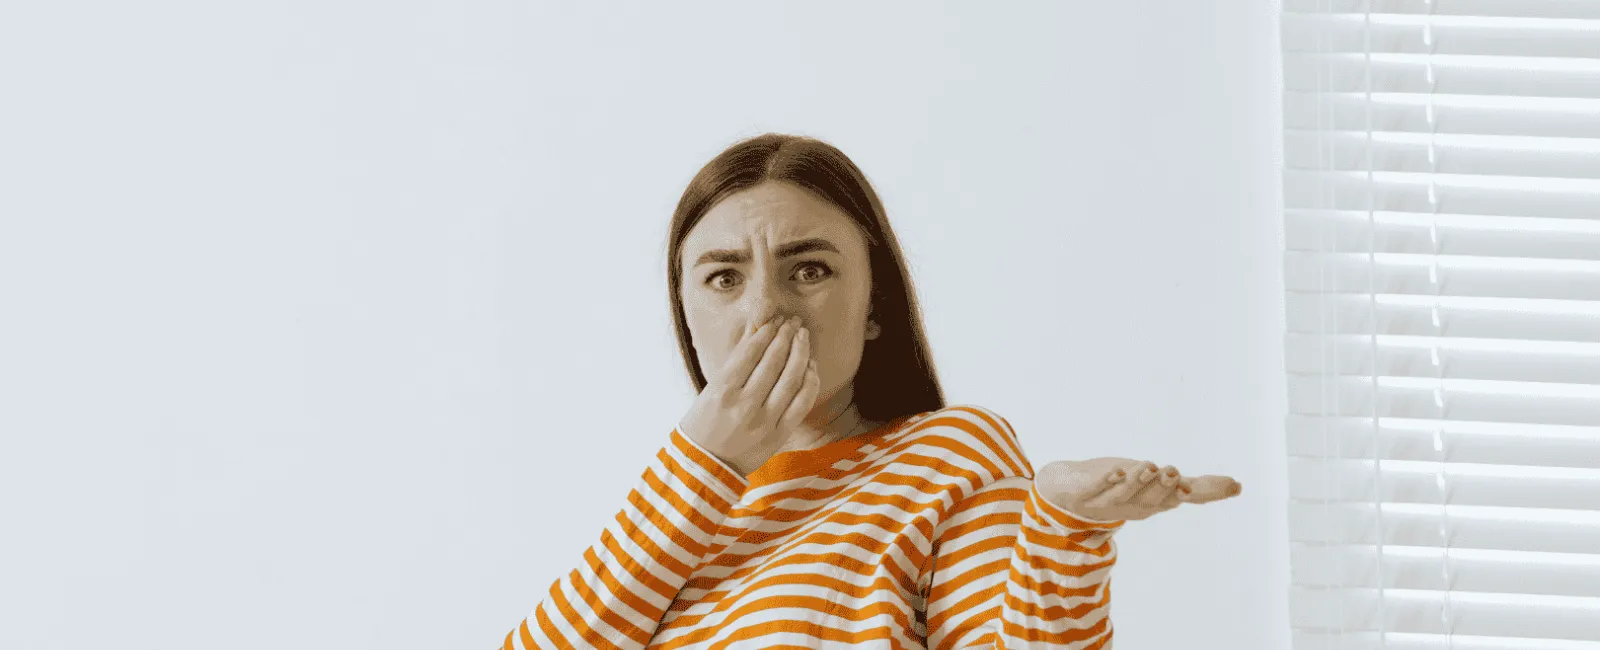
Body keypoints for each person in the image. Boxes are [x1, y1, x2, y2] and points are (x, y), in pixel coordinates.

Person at [500, 133, 1242, 649]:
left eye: (809, 269)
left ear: (875, 304)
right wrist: (703, 463)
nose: (765, 310)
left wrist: (1062, 533)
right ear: (686, 317)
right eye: (724, 277)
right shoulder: (677, 520)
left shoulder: (946, 456)